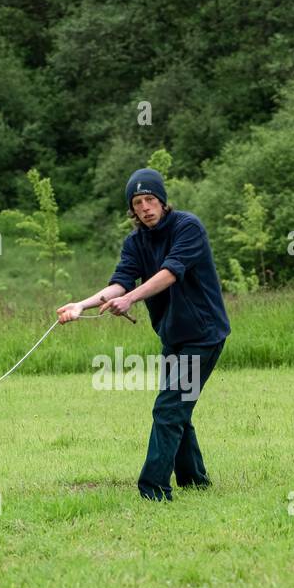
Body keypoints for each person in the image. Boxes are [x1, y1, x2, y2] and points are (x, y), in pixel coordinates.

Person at [58, 168, 231, 501]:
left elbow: (170, 273)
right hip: (173, 336)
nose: (145, 207)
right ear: (132, 209)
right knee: (178, 407)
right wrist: (82, 305)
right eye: (137, 203)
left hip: (204, 333)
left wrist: (132, 298)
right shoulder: (135, 242)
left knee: (169, 409)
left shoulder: (187, 227)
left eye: (150, 199)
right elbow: (121, 282)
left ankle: (153, 489)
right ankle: (194, 479)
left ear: (163, 201)